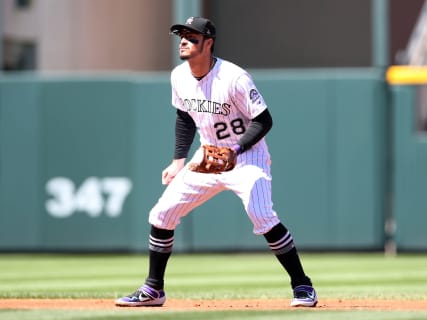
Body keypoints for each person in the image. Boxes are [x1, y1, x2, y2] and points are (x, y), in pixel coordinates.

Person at [115, 16, 317, 308]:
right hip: (208, 155)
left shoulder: (234, 77)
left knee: (261, 214)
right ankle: (153, 289)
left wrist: (236, 148)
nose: (184, 41)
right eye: (181, 36)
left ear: (208, 43)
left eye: (192, 37)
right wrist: (177, 160)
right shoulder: (178, 76)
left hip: (247, 156)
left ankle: (302, 285)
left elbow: (264, 120)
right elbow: (184, 118)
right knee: (162, 214)